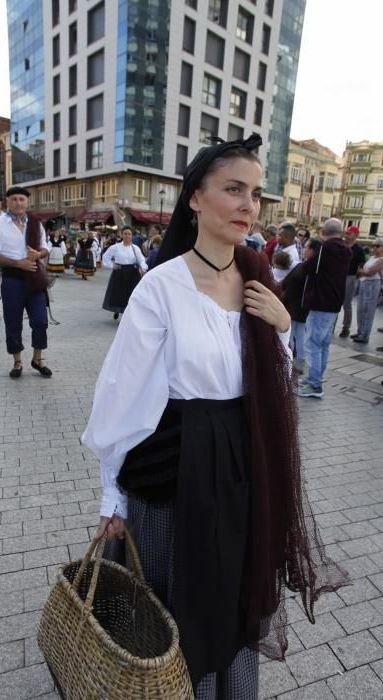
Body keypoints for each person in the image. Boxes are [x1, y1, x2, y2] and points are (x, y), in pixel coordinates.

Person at [82, 135, 346, 699]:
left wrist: (280, 328)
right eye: (234, 189)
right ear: (195, 199)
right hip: (177, 468)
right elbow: (122, 395)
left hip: (243, 463)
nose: (249, 205)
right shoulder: (162, 287)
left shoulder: (257, 277)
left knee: (235, 591)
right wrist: (111, 495)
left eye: (255, 193)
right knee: (178, 602)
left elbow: (274, 381)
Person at [0, 186, 52, 379]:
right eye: (14, 199)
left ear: (27, 202)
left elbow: (45, 248)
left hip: (34, 277)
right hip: (11, 279)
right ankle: (17, 361)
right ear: (7, 202)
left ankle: (37, 359)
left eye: (21, 199)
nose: (18, 202)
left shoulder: (35, 223)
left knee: (40, 321)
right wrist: (17, 263)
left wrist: (39, 253)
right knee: (13, 323)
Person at [298, 218, 351, 398]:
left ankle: (314, 385)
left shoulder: (326, 249)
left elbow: (309, 268)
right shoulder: (346, 250)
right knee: (324, 344)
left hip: (321, 302)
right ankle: (316, 379)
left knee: (313, 344)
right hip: (335, 304)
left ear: (324, 232)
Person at [282, 238, 321, 374]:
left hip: (299, 305)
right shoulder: (304, 265)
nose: (303, 250)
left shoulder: (309, 267)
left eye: (306, 247)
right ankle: (295, 361)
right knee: (297, 334)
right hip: (296, 304)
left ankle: (294, 362)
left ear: (312, 250)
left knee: (296, 334)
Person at [102, 225, 147, 320]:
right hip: (119, 272)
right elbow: (105, 257)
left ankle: (128, 314)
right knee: (119, 293)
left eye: (129, 234)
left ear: (131, 236)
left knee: (131, 294)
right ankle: (117, 310)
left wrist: (143, 267)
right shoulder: (115, 247)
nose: (127, 236)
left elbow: (141, 259)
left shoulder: (135, 248)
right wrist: (112, 265)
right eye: (125, 234)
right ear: (122, 235)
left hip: (132, 274)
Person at [351, 238, 383, 343]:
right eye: (373, 245)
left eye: (377, 246)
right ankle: (360, 332)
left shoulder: (382, 259)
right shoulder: (372, 257)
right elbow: (364, 270)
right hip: (364, 283)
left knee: (368, 311)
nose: (374, 247)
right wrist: (362, 272)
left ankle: (365, 335)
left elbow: (371, 272)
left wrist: (361, 271)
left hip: (372, 284)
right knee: (360, 310)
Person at [339, 226, 366, 338]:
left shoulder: (359, 250)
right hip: (338, 275)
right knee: (335, 300)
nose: (347, 235)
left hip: (350, 276)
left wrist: (357, 275)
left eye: (349, 233)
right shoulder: (342, 245)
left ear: (355, 235)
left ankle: (346, 327)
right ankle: (331, 326)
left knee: (347, 304)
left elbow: (362, 264)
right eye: (347, 233)